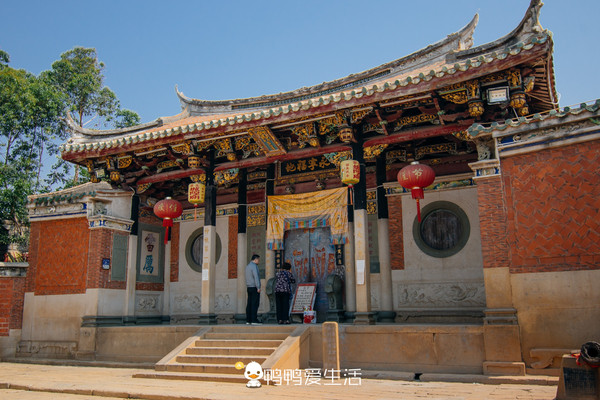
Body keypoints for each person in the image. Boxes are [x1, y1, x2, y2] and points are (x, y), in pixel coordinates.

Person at [245, 254, 261, 325]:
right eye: (258, 259)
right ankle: (254, 319)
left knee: (249, 303)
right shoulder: (254, 266)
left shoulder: (247, 266)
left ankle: (248, 320)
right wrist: (258, 287)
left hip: (249, 287)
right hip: (254, 287)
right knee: (255, 303)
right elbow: (256, 277)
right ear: (255, 259)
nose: (259, 261)